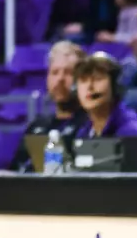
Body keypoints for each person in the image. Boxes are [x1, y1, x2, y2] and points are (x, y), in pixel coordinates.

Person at [11, 41, 85, 171]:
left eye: (68, 72)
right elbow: (16, 170)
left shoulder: (90, 125)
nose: (60, 79)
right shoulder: (36, 127)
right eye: (55, 72)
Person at [73, 52, 137, 139]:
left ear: (115, 86)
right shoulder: (84, 133)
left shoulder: (134, 132)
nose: (89, 86)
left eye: (98, 78)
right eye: (83, 81)